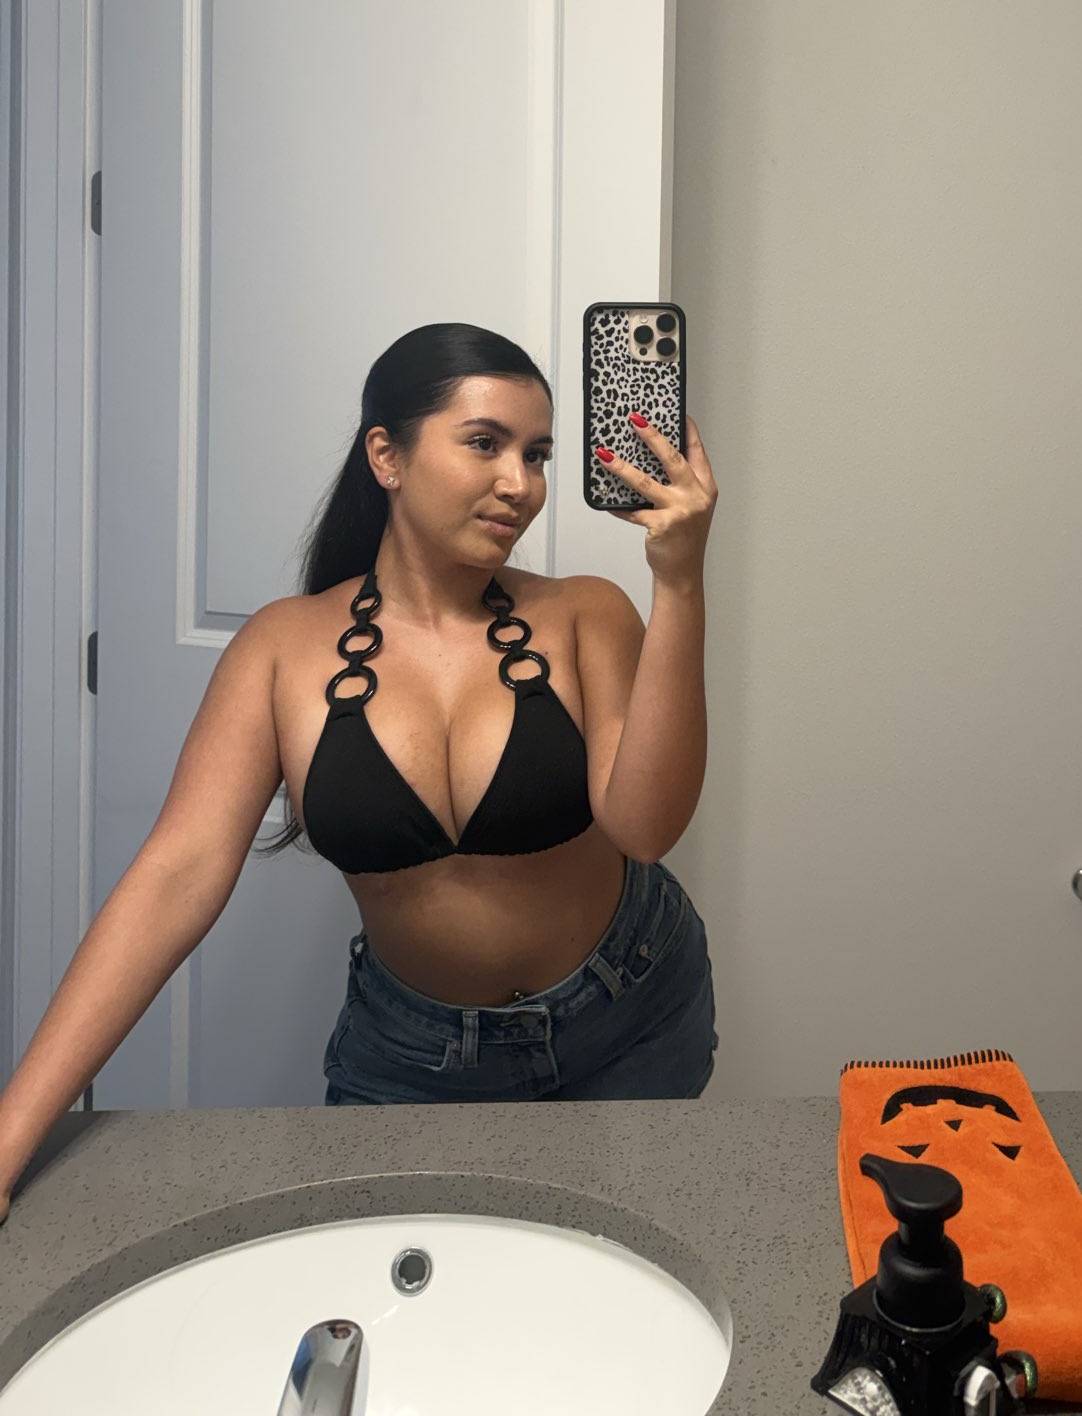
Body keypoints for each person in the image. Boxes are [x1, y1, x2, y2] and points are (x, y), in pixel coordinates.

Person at [0, 322, 719, 1220]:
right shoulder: (283, 648)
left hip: (629, 1012)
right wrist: (12, 1131)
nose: (521, 483)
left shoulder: (586, 614)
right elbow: (175, 875)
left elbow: (646, 829)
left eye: (536, 455)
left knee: (624, 1275)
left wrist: (679, 582)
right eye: (485, 443)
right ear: (387, 456)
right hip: (413, 1055)